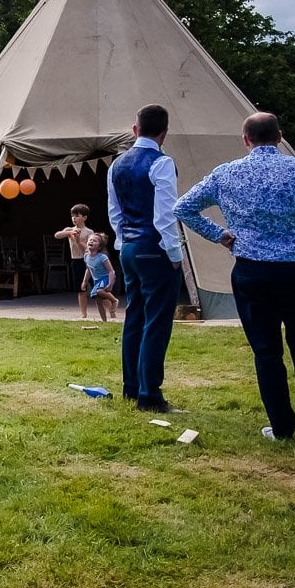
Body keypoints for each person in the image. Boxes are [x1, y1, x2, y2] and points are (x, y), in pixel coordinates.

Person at [174, 112, 295, 444]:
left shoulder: (226, 173)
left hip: (252, 272)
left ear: (245, 139)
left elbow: (184, 207)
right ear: (280, 136)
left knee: (266, 352)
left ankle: (280, 428)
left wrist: (220, 234)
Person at [107, 104, 183, 413]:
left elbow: (114, 211)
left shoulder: (116, 165)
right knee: (157, 322)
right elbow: (166, 215)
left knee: (134, 318)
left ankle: (131, 387)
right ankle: (150, 394)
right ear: (165, 133)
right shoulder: (162, 163)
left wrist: (123, 241)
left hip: (128, 248)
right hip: (155, 248)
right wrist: (174, 253)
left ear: (135, 129)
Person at [54, 204, 94, 317]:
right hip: (76, 261)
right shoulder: (69, 229)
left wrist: (77, 240)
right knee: (81, 288)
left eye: (77, 215)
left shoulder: (89, 232)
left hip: (87, 261)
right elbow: (57, 235)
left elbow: (87, 249)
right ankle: (83, 314)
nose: (74, 218)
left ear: (84, 218)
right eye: (72, 216)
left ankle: (110, 311)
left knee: (98, 287)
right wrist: (70, 232)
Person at [82, 232, 120, 322]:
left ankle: (114, 300)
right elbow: (88, 269)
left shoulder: (102, 257)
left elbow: (111, 271)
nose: (91, 241)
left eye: (94, 241)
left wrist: (111, 284)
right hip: (97, 280)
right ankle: (104, 321)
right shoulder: (86, 256)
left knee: (99, 291)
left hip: (106, 277)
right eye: (90, 240)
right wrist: (84, 281)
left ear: (99, 247)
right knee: (98, 301)